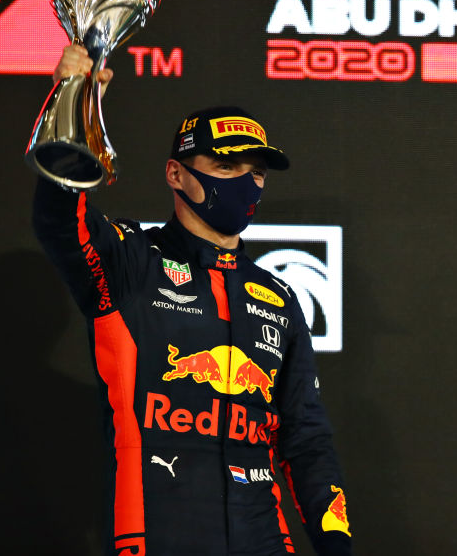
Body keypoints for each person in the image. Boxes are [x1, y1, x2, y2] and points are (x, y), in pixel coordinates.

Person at [32, 45, 352, 556]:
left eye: (257, 171)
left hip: (265, 541)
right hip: (157, 535)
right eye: (226, 165)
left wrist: (337, 546)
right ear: (175, 174)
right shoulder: (131, 261)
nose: (246, 182)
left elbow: (306, 439)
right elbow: (59, 222)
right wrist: (71, 107)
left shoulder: (279, 297)